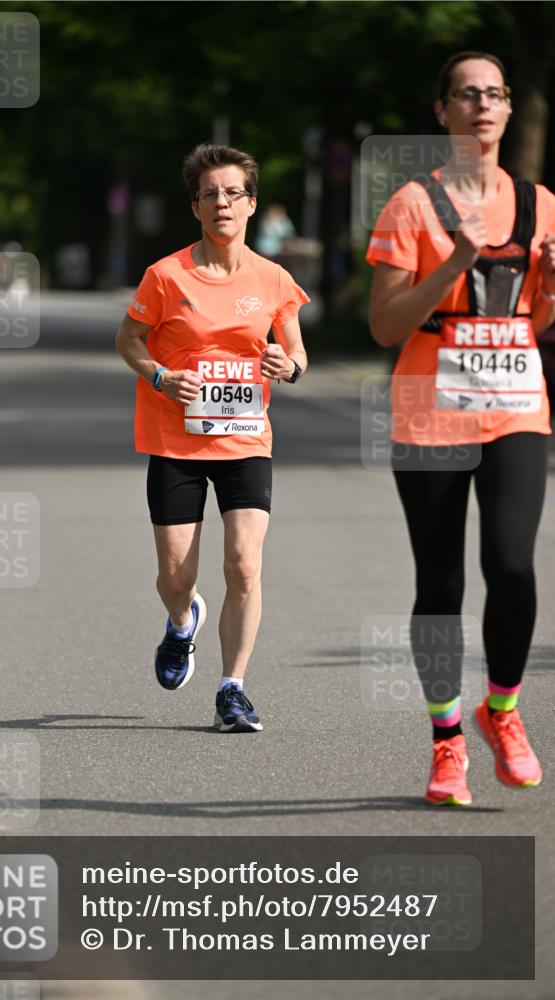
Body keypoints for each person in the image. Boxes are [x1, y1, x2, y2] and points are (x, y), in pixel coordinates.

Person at [366, 51, 555, 804]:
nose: (482, 105)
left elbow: (535, 321)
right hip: (428, 408)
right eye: (466, 95)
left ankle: (501, 711)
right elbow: (382, 325)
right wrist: (448, 270)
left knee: (511, 564)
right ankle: (446, 743)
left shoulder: (541, 203)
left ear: (509, 110)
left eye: (495, 94)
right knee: (439, 582)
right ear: (441, 111)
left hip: (515, 405)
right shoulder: (411, 206)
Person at [116, 144, 309, 732]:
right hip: (175, 440)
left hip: (246, 440)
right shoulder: (166, 275)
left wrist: (290, 366)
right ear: (195, 206)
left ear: (251, 204)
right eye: (209, 194)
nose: (221, 203)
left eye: (232, 193)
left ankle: (233, 689)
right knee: (176, 578)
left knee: (245, 565)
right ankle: (182, 622)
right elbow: (129, 340)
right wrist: (158, 374)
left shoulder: (274, 279)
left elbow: (298, 352)